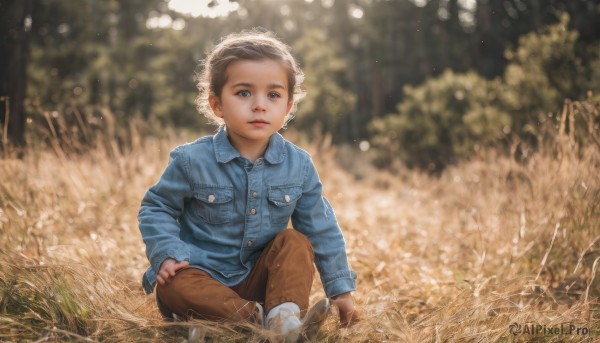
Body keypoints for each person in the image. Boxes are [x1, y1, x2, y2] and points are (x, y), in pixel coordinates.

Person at [138, 29, 358, 341]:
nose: (259, 105)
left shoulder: (299, 166)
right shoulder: (191, 160)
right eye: (243, 93)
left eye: (273, 94)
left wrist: (341, 291)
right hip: (202, 279)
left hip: (262, 281)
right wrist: (167, 252)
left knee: (295, 242)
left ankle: (281, 317)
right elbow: (156, 207)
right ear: (217, 105)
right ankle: (249, 319)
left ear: (288, 106)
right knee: (172, 284)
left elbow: (322, 228)